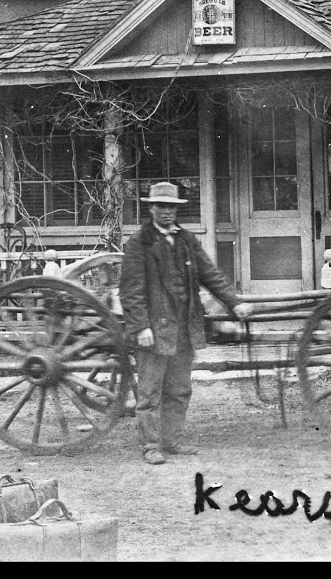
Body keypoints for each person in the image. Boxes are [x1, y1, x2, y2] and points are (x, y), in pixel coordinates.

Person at [118, 181, 252, 465]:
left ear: (177, 210)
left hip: (183, 329)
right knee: (150, 391)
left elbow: (211, 274)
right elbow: (131, 291)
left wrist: (235, 302)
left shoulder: (187, 241)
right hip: (153, 331)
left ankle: (172, 440)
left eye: (171, 207)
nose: (166, 212)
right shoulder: (139, 243)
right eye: (160, 206)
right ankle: (151, 446)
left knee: (179, 388)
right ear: (151, 208)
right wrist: (141, 327)